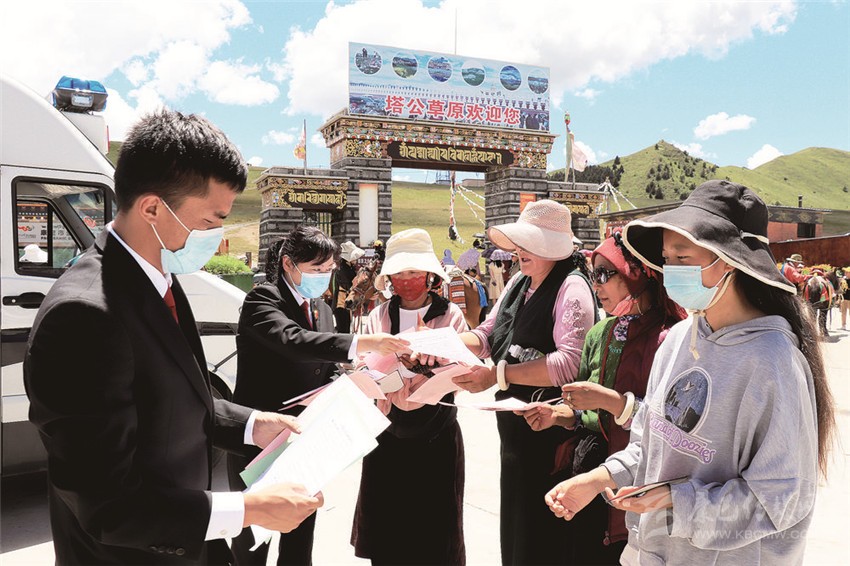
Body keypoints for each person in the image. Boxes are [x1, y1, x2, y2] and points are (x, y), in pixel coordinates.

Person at [24, 109, 323, 564]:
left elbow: (172, 398)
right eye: (211, 221)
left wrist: (251, 424)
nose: (217, 235)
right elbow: (106, 505)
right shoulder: (84, 316)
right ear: (152, 208)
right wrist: (247, 509)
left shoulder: (157, 275)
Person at [545, 180, 835, 565]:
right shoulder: (680, 338)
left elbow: (781, 498)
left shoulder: (773, 360)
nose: (670, 272)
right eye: (666, 259)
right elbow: (652, 441)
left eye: (683, 257)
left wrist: (678, 502)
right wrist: (600, 477)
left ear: (730, 260)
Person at [228, 227, 408, 565]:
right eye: (316, 269)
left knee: (300, 533)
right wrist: (361, 343)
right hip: (260, 436)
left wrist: (351, 381)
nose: (323, 277)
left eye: (329, 269)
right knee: (252, 540)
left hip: (306, 439)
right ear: (288, 263)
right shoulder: (263, 299)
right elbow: (292, 341)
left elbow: (326, 367)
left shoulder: (322, 309)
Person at [519, 233, 686, 563]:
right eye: (592, 274)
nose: (595, 285)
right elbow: (586, 414)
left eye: (604, 274)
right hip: (590, 474)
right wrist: (559, 415)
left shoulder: (672, 337)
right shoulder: (600, 332)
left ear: (635, 273)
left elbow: (671, 425)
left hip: (638, 479)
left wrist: (613, 402)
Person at [451, 200, 597, 565]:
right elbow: (488, 334)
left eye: (530, 244)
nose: (519, 252)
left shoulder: (572, 287)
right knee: (518, 531)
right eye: (520, 244)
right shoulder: (520, 282)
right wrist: (444, 343)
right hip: (516, 434)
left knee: (541, 537)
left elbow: (569, 363)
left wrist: (497, 375)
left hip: (550, 436)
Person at [351, 228, 468, 565]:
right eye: (399, 274)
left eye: (413, 272)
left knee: (434, 532)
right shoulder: (379, 315)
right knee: (387, 529)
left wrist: (429, 367)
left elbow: (464, 369)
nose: (406, 281)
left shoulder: (450, 315)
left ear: (429, 275)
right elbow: (363, 362)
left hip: (436, 434)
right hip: (386, 433)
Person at [332, 241, 365, 333]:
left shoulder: (348, 267)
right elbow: (349, 285)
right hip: (341, 304)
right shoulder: (342, 269)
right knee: (343, 330)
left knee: (346, 328)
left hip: (346, 303)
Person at [804, 268, 834, 338]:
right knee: (823, 313)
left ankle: (812, 332)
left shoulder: (809, 280)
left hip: (810, 299)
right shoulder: (826, 281)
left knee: (812, 314)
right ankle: (823, 330)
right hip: (824, 303)